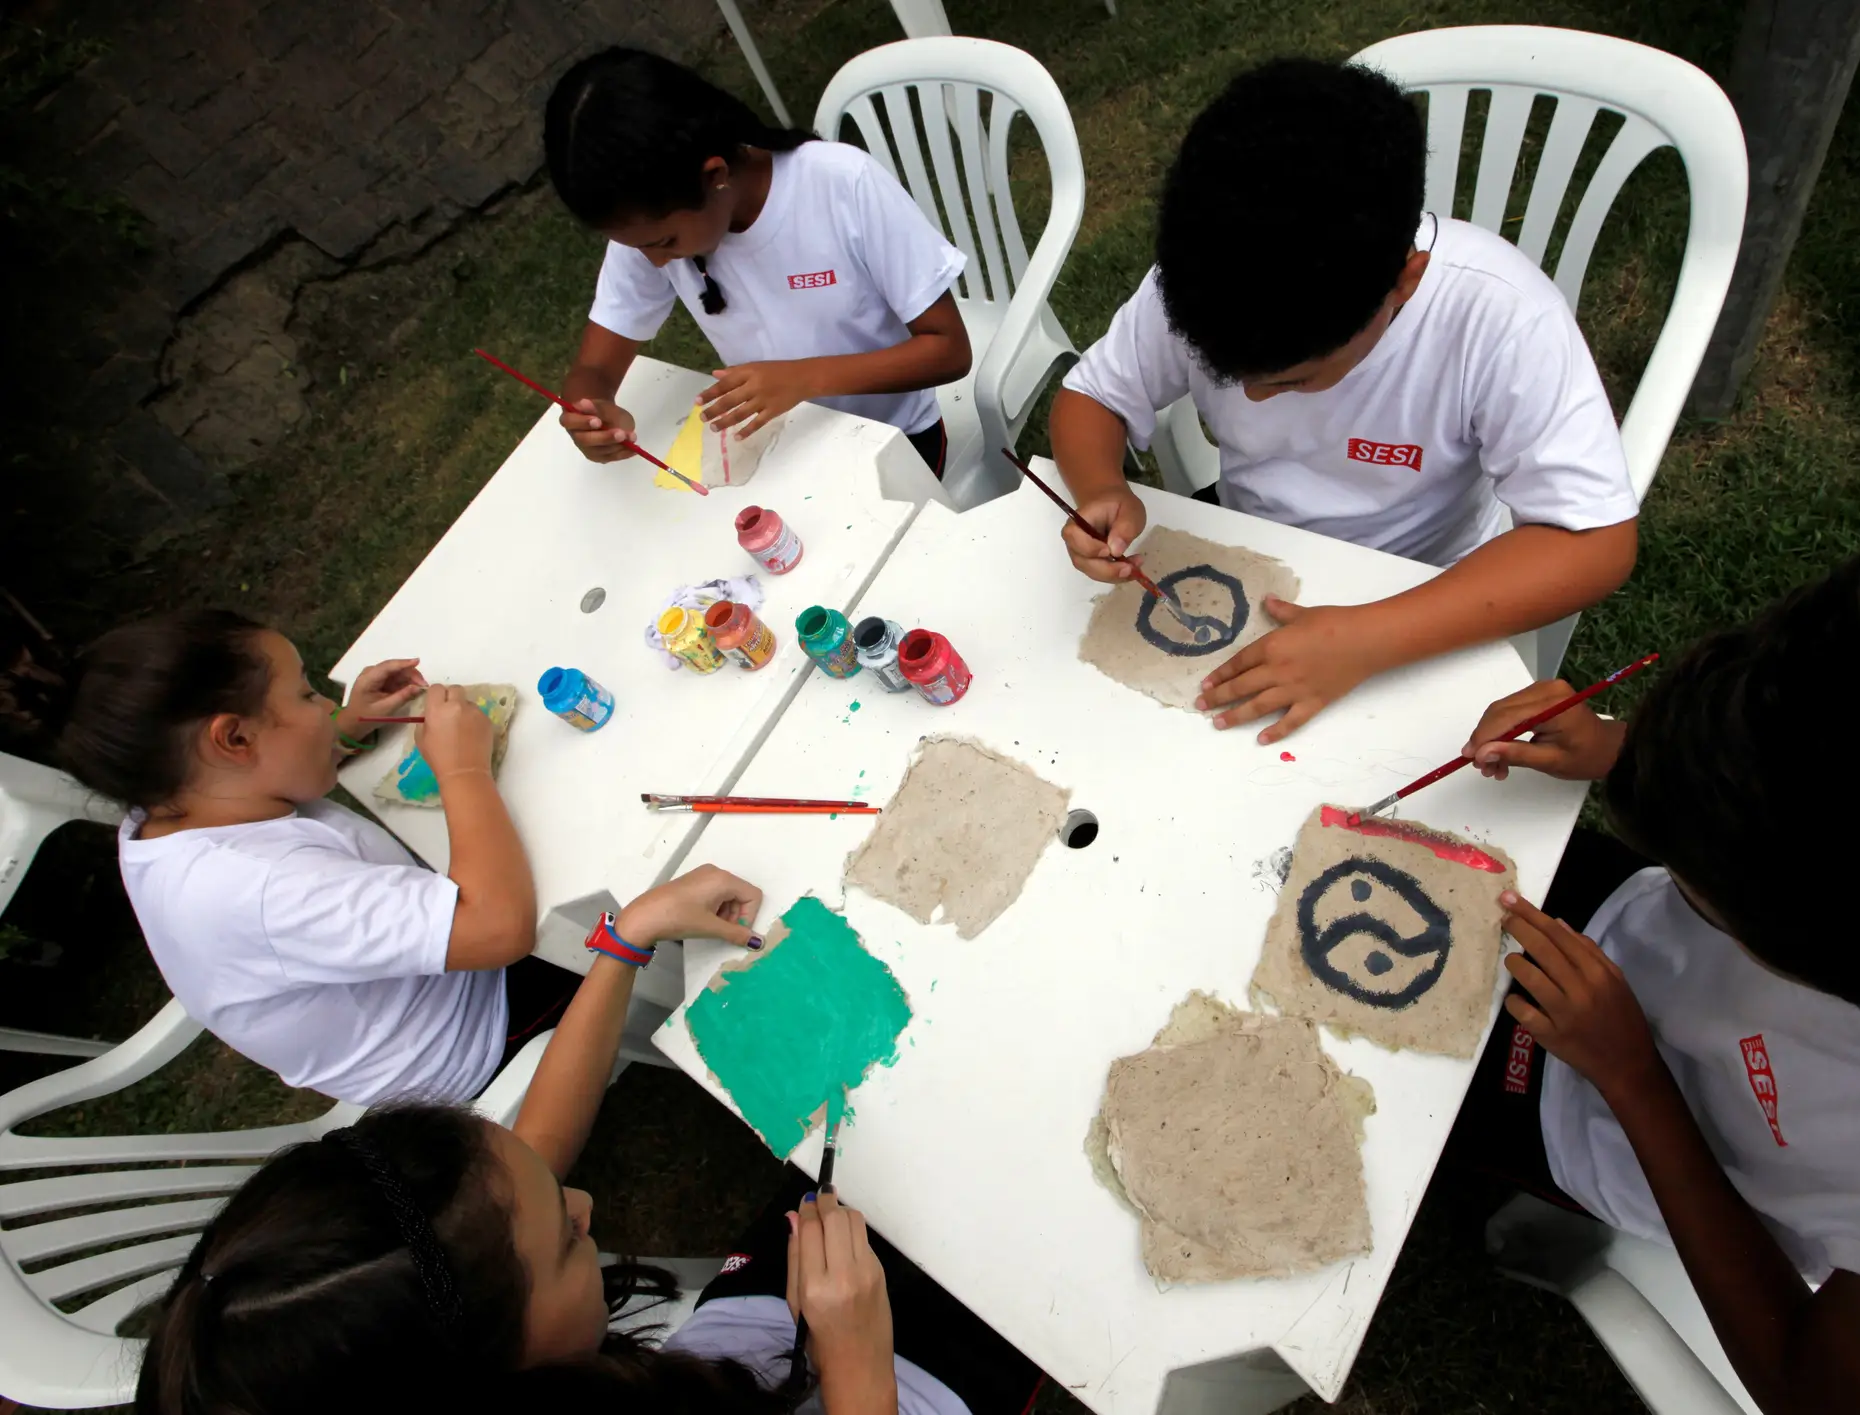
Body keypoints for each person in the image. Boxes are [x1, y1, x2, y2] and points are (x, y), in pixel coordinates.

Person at [131, 861, 1041, 1415]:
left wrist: (625, 937)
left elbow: (530, 1155)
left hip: (755, 1348)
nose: (585, 1202)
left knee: (922, 1146)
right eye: (569, 1240)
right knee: (1025, 1242)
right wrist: (852, 1367)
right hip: (874, 1384)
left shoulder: (439, 1296)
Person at [1450, 542, 1860, 1412]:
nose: (1681, 862)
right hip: (1608, 939)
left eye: (1704, 874)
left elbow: (1808, 1387)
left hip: (1592, 1111)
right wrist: (1623, 755)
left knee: (1405, 1096)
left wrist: (1632, 1074)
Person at [1050, 57, 1639, 745]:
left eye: (1293, 380)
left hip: (1423, 589)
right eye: (1229, 374)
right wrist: (1100, 486)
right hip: (1258, 551)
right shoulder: (1211, 274)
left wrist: (1369, 637)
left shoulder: (1500, 316)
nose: (1255, 398)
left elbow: (1595, 541)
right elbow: (1091, 394)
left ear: (1405, 283)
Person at [0, 608, 669, 1105]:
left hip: (435, 982)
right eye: (304, 694)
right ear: (233, 738)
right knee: (625, 862)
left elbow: (258, 785)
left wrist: (343, 730)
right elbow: (500, 929)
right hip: (474, 1034)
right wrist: (463, 769)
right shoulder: (256, 889)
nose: (322, 703)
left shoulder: (167, 802)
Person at [546, 48, 973, 478]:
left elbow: (949, 350)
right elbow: (594, 368)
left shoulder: (840, 185)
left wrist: (805, 379)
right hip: (778, 447)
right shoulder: (649, 228)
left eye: (665, 243)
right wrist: (589, 410)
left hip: (893, 439)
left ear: (715, 177)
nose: (654, 261)